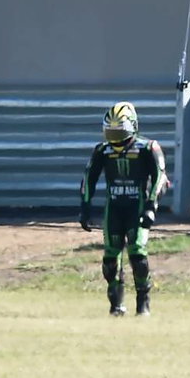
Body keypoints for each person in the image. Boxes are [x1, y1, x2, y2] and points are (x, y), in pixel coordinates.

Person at [79, 101, 166, 317]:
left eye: (120, 131)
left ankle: (143, 303)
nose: (115, 137)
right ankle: (116, 305)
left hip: (137, 208)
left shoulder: (148, 147)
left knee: (137, 253)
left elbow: (161, 178)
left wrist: (151, 207)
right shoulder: (102, 150)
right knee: (110, 258)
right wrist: (85, 207)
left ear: (133, 127)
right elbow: (88, 178)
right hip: (114, 209)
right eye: (111, 131)